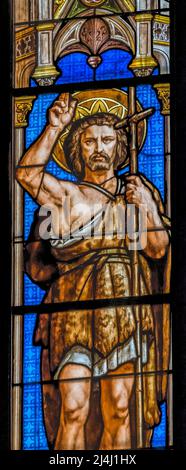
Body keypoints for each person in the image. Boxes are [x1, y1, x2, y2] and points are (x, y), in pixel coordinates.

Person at [16, 93, 170, 450]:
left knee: (119, 408)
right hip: (74, 309)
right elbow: (27, 175)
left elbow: (159, 250)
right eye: (89, 141)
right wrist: (54, 127)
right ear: (77, 149)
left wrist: (147, 208)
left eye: (107, 139)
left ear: (120, 146)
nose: (99, 148)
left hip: (124, 308)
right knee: (73, 407)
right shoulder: (67, 195)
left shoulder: (136, 193)